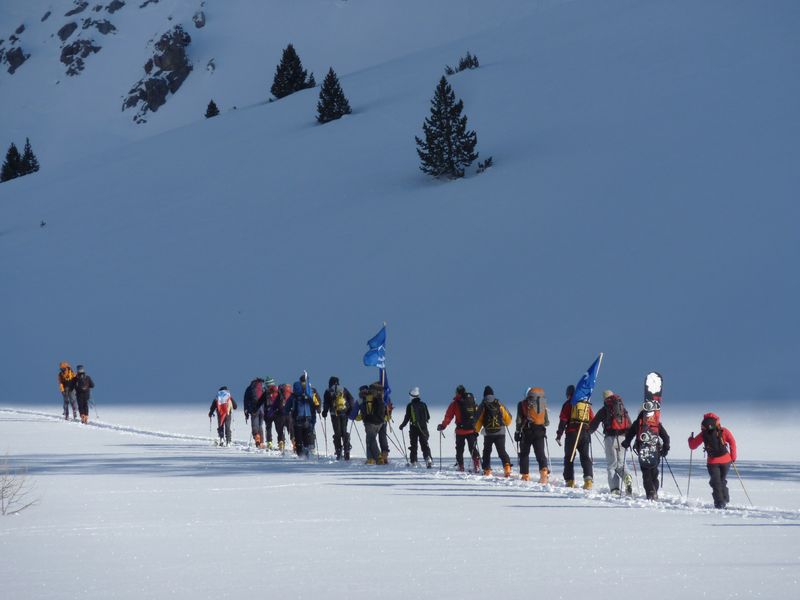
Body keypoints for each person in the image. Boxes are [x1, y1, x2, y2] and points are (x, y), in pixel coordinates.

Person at [687, 413, 737, 509]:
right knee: (721, 480)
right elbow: (732, 442)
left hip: (712, 462)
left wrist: (690, 439)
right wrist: (733, 457)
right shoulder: (723, 431)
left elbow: (692, 446)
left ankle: (720, 503)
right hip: (726, 460)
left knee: (716, 482)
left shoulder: (704, 433)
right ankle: (725, 498)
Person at [622, 402, 670, 500]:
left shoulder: (638, 422)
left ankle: (650, 493)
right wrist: (665, 449)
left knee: (646, 473)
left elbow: (629, 435)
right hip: (655, 450)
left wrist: (626, 443)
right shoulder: (656, 423)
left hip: (643, 451)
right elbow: (666, 437)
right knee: (654, 473)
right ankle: (655, 491)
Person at [589, 390, 632, 495]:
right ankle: (627, 478)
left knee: (612, 466)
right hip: (623, 439)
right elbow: (630, 424)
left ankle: (615, 489)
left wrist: (588, 431)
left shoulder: (604, 409)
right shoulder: (622, 409)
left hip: (610, 439)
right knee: (621, 465)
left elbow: (594, 424)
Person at [556, 384, 595, 489]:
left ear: (568, 394)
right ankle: (588, 481)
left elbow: (563, 420)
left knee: (569, 457)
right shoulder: (585, 404)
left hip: (572, 433)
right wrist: (588, 431)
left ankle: (569, 481)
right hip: (585, 434)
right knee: (585, 457)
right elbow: (592, 419)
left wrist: (559, 434)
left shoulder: (568, 404)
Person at [437, 385, 481, 473]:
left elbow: (448, 417)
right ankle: (477, 466)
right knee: (472, 448)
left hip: (460, 431)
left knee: (459, 449)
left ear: (457, 392)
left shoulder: (455, 403)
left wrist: (443, 426)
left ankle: (461, 467)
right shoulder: (472, 401)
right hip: (472, 430)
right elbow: (477, 415)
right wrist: (476, 428)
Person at [475, 386, 513, 477]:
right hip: (500, 432)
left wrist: (476, 430)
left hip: (488, 433)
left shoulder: (483, 404)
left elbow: (478, 420)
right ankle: (507, 467)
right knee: (502, 451)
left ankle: (487, 470)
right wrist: (505, 423)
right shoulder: (499, 403)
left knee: (487, 451)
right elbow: (509, 418)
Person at [515, 387, 550, 483]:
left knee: (524, 454)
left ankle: (525, 475)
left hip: (527, 431)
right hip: (540, 431)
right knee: (540, 454)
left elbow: (519, 420)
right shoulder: (542, 403)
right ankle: (544, 475)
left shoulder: (521, 404)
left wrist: (517, 432)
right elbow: (547, 422)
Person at [399, 387, 433, 468]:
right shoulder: (423, 404)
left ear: (411, 396)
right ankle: (428, 458)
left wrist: (402, 426)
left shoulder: (410, 405)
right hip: (423, 427)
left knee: (414, 445)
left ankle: (413, 461)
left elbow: (407, 417)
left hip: (414, 427)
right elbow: (428, 417)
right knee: (424, 444)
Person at [322, 376, 354, 461]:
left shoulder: (328, 391)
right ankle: (346, 450)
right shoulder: (343, 389)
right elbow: (351, 400)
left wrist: (324, 412)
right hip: (344, 413)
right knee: (344, 431)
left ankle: (338, 451)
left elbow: (326, 404)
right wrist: (350, 411)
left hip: (334, 414)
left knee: (337, 433)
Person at [285, 380, 317, 458]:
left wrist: (286, 412)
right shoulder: (308, 395)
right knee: (306, 436)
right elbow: (313, 407)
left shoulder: (293, 396)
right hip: (308, 420)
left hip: (297, 420)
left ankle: (300, 455)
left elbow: (286, 408)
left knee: (298, 438)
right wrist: (313, 420)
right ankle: (306, 452)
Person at [356, 384, 385, 464]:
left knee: (371, 440)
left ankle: (378, 458)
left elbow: (362, 412)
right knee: (369, 439)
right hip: (380, 423)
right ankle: (370, 459)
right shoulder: (380, 398)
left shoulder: (364, 399)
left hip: (370, 422)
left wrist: (356, 417)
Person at [243, 377, 266, 448]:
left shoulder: (249, 388)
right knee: (260, 426)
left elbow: (245, 400)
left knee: (254, 425)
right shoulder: (263, 388)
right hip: (262, 409)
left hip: (254, 409)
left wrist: (246, 411)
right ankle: (261, 442)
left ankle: (257, 440)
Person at [273, 383, 294, 453]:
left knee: (280, 430)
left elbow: (274, 406)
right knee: (292, 430)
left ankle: (281, 443)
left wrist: (270, 414)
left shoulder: (279, 396)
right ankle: (295, 443)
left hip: (280, 415)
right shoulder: (291, 395)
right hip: (289, 414)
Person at [260, 377, 279, 449]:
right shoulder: (277, 391)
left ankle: (269, 442)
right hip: (277, 412)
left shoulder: (265, 392)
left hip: (268, 413)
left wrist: (255, 409)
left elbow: (260, 402)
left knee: (268, 428)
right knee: (279, 428)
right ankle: (281, 441)